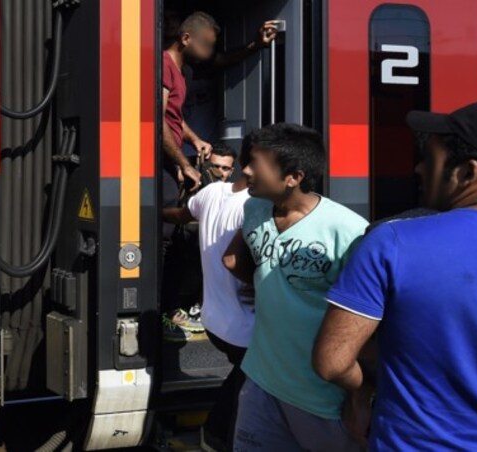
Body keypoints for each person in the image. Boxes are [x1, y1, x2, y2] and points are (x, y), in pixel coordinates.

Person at [313, 101, 477, 450]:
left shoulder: (392, 242)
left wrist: (365, 390)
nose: (419, 168)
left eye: (429, 158)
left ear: (468, 172)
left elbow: (332, 362)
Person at [222, 124, 367, 451]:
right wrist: (267, 285)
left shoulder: (348, 232)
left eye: (255, 162)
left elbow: (370, 320)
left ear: (294, 177)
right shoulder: (254, 209)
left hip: (320, 400)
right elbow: (236, 260)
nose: (244, 170)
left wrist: (361, 395)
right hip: (261, 383)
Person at [161, 12, 278, 334]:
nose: (211, 52)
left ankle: (174, 307)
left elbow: (173, 117)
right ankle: (163, 310)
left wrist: (195, 139)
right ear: (186, 39)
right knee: (167, 236)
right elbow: (157, 121)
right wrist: (184, 164)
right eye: (207, 45)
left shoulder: (180, 70)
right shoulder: (163, 68)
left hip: (173, 159)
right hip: (162, 163)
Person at [163, 142, 252, 450]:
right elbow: (235, 261)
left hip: (214, 323)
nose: (221, 173)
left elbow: (180, 214)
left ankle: (216, 436)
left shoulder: (212, 194)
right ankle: (216, 436)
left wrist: (150, 213)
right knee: (255, 378)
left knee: (244, 377)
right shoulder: (257, 206)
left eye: (227, 167)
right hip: (244, 330)